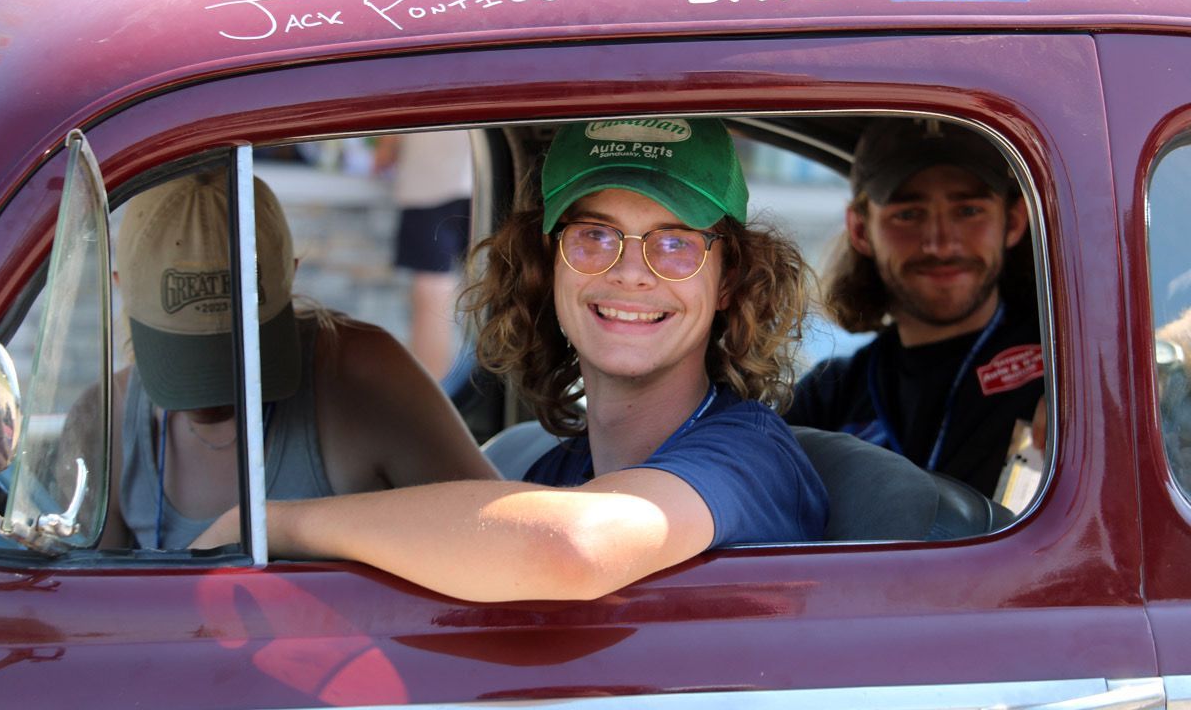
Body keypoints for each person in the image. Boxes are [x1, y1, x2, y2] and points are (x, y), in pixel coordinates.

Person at [193, 117, 828, 602]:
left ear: (727, 280)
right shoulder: (558, 470)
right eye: (594, 236)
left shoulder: (749, 455)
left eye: (676, 243)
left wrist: (275, 523)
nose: (631, 273)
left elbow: (571, 549)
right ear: (544, 266)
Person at [100, 169, 498, 549]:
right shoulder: (109, 420)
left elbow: (497, 532)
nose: (215, 390)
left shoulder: (361, 378)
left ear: (290, 278)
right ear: (121, 289)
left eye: (240, 347)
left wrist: (282, 526)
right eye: (189, 350)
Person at [784, 117, 1044, 498]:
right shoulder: (829, 396)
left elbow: (1160, 353)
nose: (940, 244)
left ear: (1015, 221)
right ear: (860, 230)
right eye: (908, 214)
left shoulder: (1069, 368)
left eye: (969, 211)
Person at [374, 131, 474, 379]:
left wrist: (385, 150)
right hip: (481, 177)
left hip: (430, 180)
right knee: (489, 285)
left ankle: (433, 390)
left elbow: (385, 151)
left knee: (432, 289)